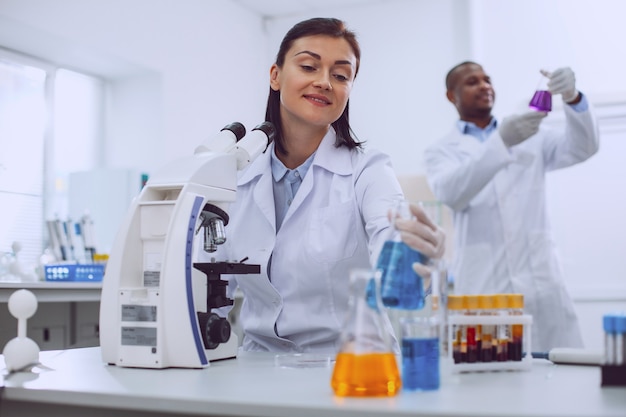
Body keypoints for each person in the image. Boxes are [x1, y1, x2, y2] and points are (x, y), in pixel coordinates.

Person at [208, 18, 445, 353]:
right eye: (308, 66)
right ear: (275, 75)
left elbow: (391, 236)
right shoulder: (235, 175)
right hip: (257, 368)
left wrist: (414, 258)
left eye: (340, 75)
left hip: (351, 365)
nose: (324, 82)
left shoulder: (368, 169)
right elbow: (208, 285)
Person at [424, 61, 599, 351]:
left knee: (560, 381)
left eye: (487, 79)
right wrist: (501, 141)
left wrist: (573, 98)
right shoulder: (441, 151)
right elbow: (453, 192)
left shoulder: (530, 134)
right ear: (450, 96)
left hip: (542, 286)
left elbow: (583, 147)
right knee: (492, 386)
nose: (484, 85)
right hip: (486, 291)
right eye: (471, 82)